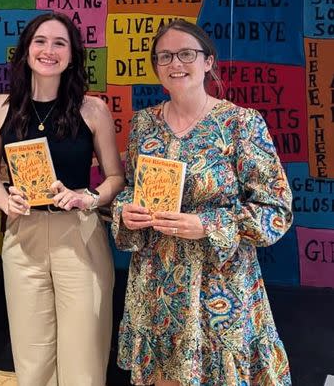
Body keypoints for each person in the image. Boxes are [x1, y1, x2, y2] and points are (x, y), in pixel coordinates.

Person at [112, 19, 293, 385]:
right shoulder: (144, 124)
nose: (176, 64)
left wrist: (207, 225)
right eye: (165, 56)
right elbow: (132, 188)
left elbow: (276, 210)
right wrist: (125, 211)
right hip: (156, 286)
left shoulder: (240, 124)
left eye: (186, 54)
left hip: (219, 287)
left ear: (207, 61)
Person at [0, 12, 124, 386]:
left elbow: (115, 178)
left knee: (85, 355)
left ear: (72, 55)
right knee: (32, 354)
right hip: (22, 236)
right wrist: (4, 200)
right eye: (40, 41)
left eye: (60, 43)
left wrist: (87, 198)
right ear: (26, 50)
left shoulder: (93, 110)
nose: (48, 50)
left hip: (78, 236)